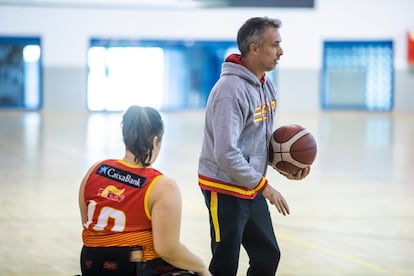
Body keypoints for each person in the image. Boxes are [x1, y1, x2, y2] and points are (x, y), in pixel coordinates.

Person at [197, 17, 310, 276]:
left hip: (251, 185)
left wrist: (284, 164)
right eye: (275, 44)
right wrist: (265, 187)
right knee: (225, 263)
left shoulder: (267, 85)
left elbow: (258, 141)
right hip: (223, 188)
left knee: (268, 256)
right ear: (254, 48)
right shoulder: (229, 91)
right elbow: (225, 153)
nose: (281, 51)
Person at [79, 105, 211, 276]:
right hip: (131, 267)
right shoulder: (162, 186)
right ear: (156, 141)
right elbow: (168, 249)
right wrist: (201, 267)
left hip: (91, 265)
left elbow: (88, 224)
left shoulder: (95, 170)